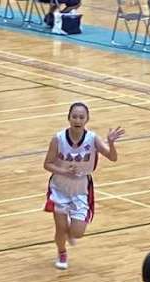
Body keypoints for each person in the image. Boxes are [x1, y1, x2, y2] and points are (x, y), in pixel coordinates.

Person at [43, 102, 124, 270]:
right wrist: (64, 171)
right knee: (60, 228)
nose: (77, 120)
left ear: (87, 119)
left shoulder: (92, 139)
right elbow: (47, 164)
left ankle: (70, 233)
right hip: (59, 186)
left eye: (81, 117)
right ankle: (62, 252)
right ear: (69, 118)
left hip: (81, 188)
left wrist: (111, 143)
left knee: (78, 232)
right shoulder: (58, 139)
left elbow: (112, 157)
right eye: (74, 116)